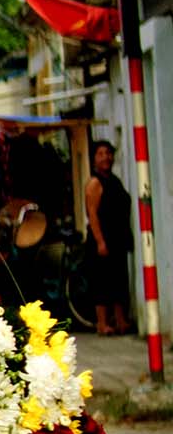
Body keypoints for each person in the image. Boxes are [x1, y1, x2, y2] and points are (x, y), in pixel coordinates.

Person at [85, 139, 133, 335]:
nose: (105, 157)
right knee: (103, 282)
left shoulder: (115, 180)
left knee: (119, 280)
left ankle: (121, 321)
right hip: (102, 239)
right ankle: (102, 324)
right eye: (100, 153)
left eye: (108, 153)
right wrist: (100, 241)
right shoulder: (94, 183)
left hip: (117, 237)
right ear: (95, 159)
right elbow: (92, 213)